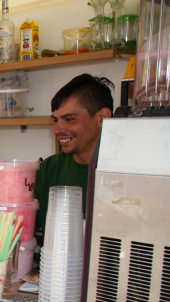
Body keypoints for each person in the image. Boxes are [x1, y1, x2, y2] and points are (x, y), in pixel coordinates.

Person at [35, 74, 114, 240]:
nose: (57, 129)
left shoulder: (127, 175)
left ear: (102, 118)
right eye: (55, 120)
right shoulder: (49, 168)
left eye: (69, 119)